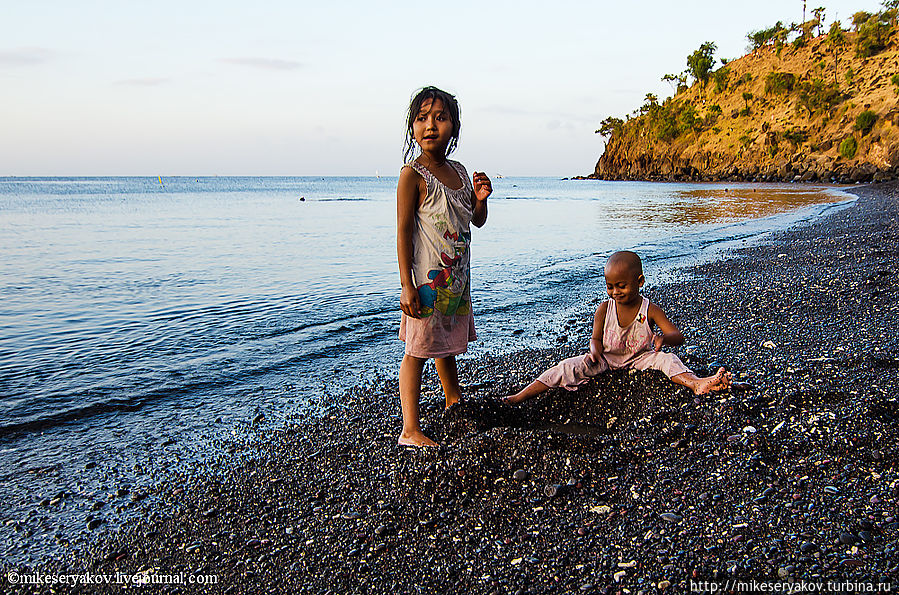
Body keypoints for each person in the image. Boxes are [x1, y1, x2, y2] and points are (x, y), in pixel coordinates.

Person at [505, 250, 731, 404]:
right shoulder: (604, 309)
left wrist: (664, 339)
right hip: (605, 360)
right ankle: (520, 396)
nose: (615, 292)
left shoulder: (649, 309)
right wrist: (594, 350)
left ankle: (696, 383)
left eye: (621, 286)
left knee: (668, 360)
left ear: (640, 281)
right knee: (566, 367)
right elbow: (595, 338)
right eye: (610, 286)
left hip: (640, 358)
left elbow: (676, 335)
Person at [396, 86, 493, 447]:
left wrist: (481, 200)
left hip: (456, 278)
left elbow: (475, 221)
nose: (430, 125)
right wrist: (405, 284)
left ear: (454, 126)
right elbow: (403, 233)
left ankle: (452, 398)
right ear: (412, 129)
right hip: (426, 281)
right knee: (418, 350)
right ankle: (410, 429)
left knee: (445, 342)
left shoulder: (461, 172)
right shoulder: (413, 176)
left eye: (440, 117)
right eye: (422, 118)